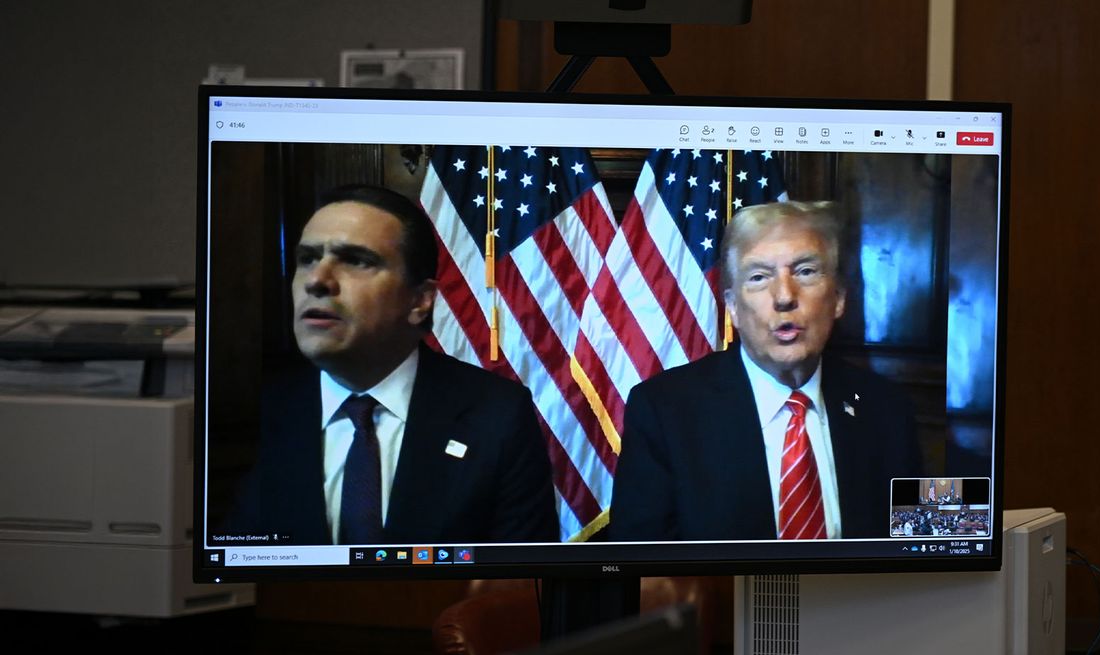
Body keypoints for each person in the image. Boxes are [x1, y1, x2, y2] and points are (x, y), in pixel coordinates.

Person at [225, 184, 559, 545]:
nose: (317, 280)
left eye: (355, 260)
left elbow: (517, 586)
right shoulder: (252, 414)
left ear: (420, 301)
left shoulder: (497, 416)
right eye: (307, 258)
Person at [608, 200, 922, 542]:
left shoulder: (887, 407)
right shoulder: (665, 411)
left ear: (838, 298)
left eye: (805, 271)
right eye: (759, 277)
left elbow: (922, 550)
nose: (784, 296)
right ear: (732, 308)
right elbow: (644, 573)